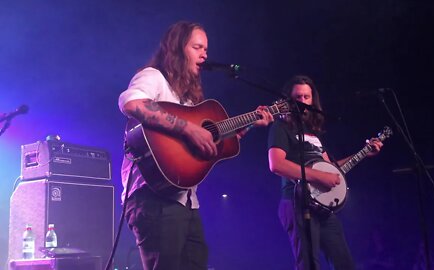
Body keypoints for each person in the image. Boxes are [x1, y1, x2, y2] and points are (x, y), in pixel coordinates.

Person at [118, 21, 273, 270]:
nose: (205, 55)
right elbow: (132, 104)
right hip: (154, 198)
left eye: (206, 49)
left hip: (186, 201)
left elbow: (204, 145)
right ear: (178, 49)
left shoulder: (188, 100)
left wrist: (248, 125)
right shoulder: (153, 77)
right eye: (197, 47)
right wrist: (188, 129)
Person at [267, 75, 384, 270]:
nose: (303, 101)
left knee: (344, 264)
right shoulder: (281, 127)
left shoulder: (313, 131)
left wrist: (363, 153)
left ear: (313, 100)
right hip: (296, 203)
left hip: (322, 207)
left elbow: (331, 169)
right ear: (288, 99)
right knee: (309, 266)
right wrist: (320, 176)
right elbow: (276, 164)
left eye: (307, 97)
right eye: (298, 97)